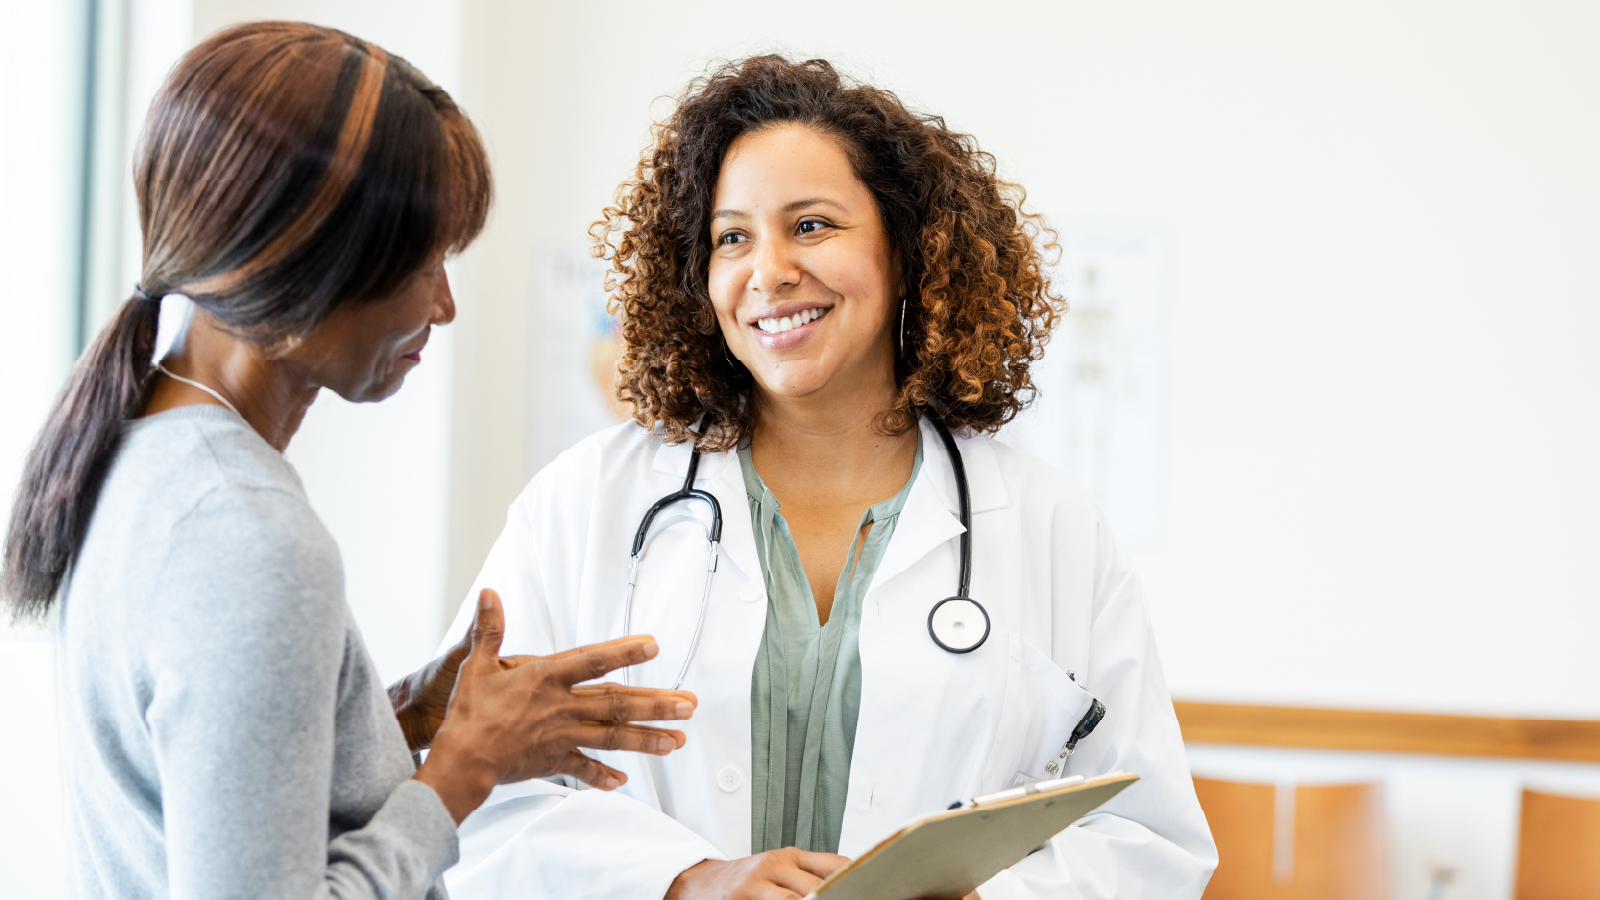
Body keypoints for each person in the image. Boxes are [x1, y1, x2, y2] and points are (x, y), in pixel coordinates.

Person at [439, 56, 1217, 900]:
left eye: (811, 226)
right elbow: (475, 794)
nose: (768, 270)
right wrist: (681, 881)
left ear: (907, 249)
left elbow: (1149, 836)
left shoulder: (1048, 523)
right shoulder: (587, 502)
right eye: (732, 236)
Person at [0, 22, 695, 899]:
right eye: (426, 263)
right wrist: (463, 771)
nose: (444, 306)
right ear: (305, 268)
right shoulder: (249, 537)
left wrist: (397, 714)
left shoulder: (139, 458)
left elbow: (222, 784)